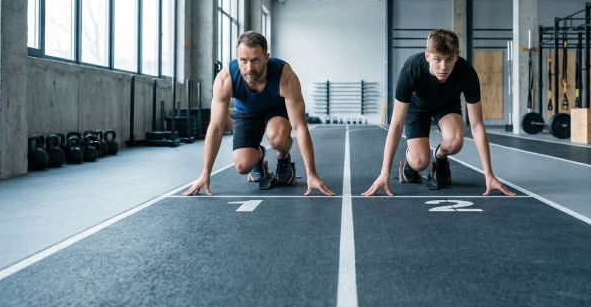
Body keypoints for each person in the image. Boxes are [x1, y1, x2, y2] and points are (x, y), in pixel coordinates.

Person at [362, 29, 515, 197]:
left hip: (447, 105)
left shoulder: (466, 72)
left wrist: (489, 174)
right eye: (437, 60)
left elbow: (477, 125)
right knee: (420, 161)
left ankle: (440, 157)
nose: (444, 67)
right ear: (427, 56)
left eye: (449, 60)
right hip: (417, 107)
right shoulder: (411, 68)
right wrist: (384, 173)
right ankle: (409, 161)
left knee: (456, 141)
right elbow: (397, 124)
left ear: (456, 57)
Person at [183, 31, 335, 197]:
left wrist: (311, 174)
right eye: (243, 61)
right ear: (237, 57)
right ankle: (259, 156)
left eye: (255, 60)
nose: (249, 68)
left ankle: (283, 158)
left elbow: (300, 127)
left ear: (266, 57)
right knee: (242, 165)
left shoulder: (285, 76)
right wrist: (205, 173)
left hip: (276, 111)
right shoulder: (225, 78)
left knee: (277, 137)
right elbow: (216, 128)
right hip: (247, 113)